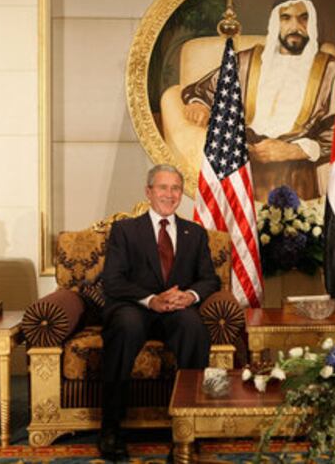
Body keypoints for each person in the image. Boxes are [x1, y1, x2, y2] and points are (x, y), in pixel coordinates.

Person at [98, 164, 219, 461]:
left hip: (177, 310)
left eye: (175, 188)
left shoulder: (195, 233)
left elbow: (209, 278)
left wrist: (189, 296)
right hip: (135, 307)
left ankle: (188, 429)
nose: (169, 194)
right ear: (148, 192)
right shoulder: (125, 230)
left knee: (193, 327)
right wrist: (151, 300)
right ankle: (111, 428)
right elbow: (112, 281)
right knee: (126, 325)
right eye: (163, 188)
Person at [181, 0, 335, 200]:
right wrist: (199, 104)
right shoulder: (247, 61)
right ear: (275, 23)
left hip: (298, 165)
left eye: (304, 18)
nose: (295, 26)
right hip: (245, 155)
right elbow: (204, 90)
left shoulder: (329, 69)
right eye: (286, 18)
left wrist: (296, 151)